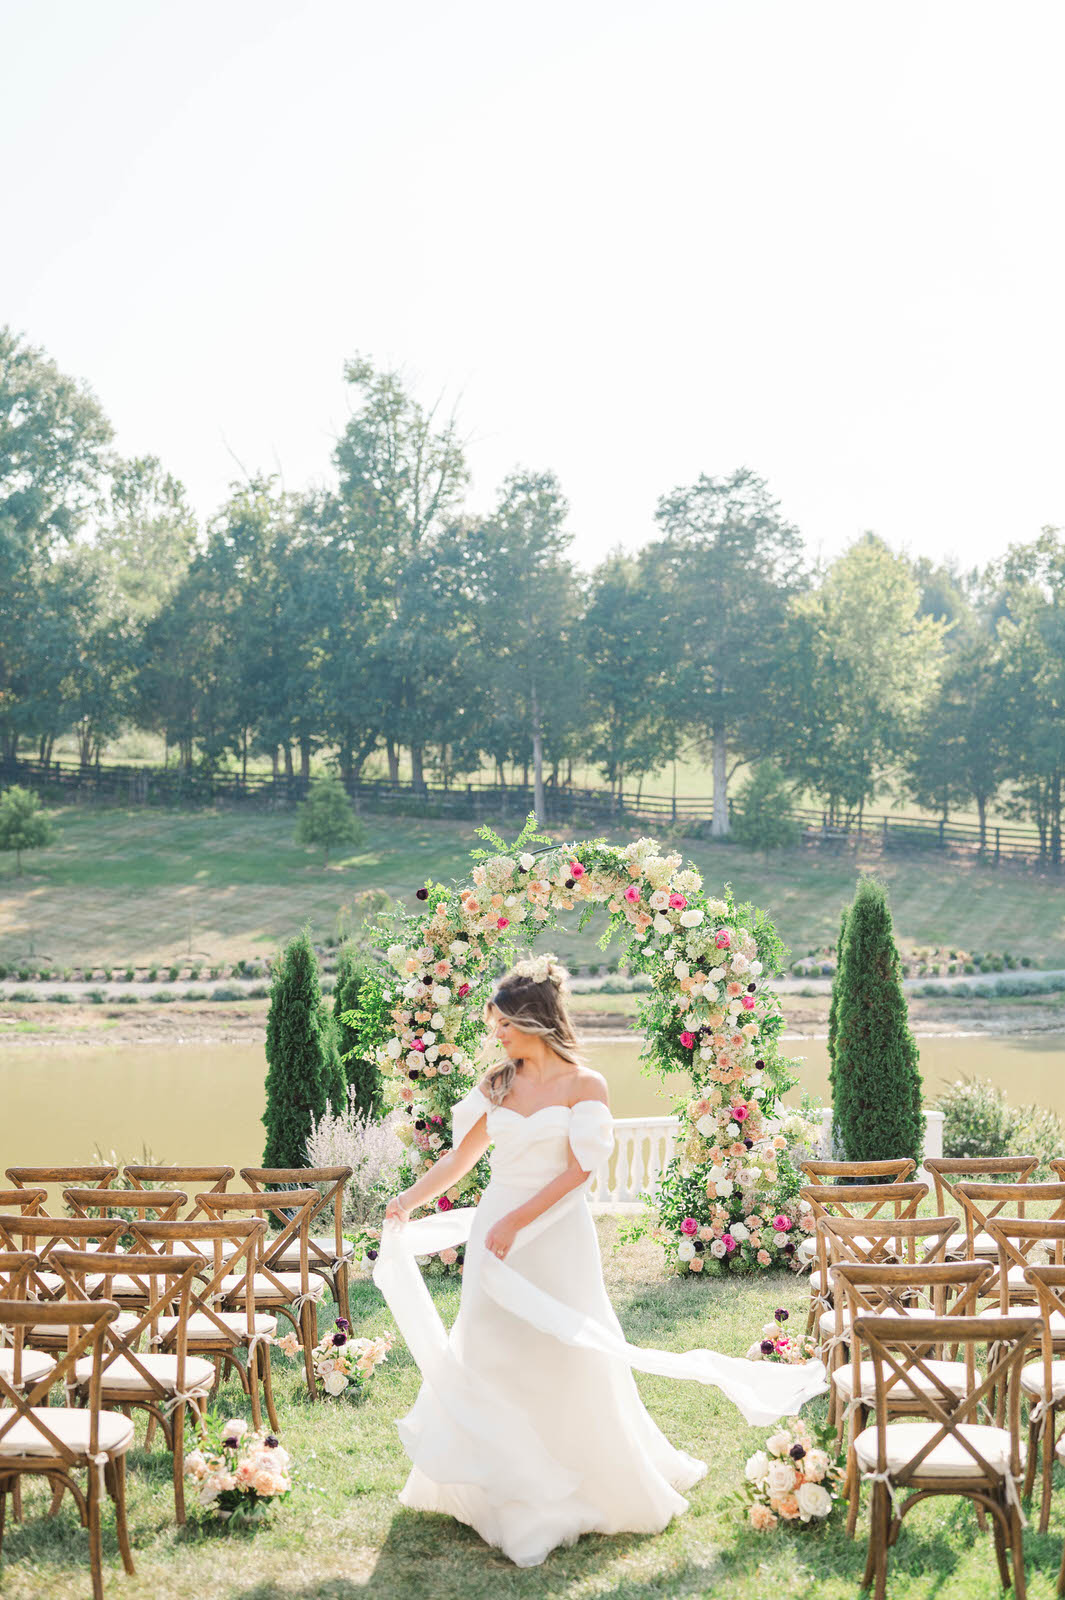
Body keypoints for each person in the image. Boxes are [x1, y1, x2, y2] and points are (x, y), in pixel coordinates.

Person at [374, 954, 825, 1568]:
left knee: (569, 1349)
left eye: (505, 1023)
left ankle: (586, 1476)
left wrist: (516, 1220)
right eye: (495, 1024)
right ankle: (501, 1488)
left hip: (553, 1234)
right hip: (494, 1233)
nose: (497, 1034)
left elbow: (579, 1171)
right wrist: (405, 1201)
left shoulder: (586, 1086)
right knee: (487, 1345)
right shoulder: (496, 1085)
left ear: (535, 1021)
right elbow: (458, 1163)